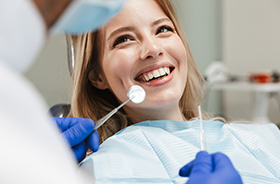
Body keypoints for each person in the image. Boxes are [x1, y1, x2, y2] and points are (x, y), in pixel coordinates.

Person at [66, 0, 280, 183]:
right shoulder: (95, 171)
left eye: (163, 29)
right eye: (124, 39)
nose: (153, 49)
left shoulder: (267, 139)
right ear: (97, 76)